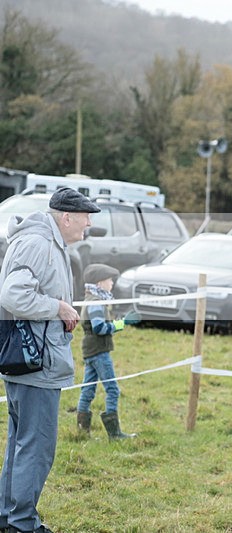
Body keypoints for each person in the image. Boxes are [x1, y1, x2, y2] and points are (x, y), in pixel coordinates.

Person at [0, 187, 100, 533]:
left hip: (30, 361)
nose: (88, 224)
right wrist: (58, 308)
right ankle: (22, 523)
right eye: (86, 217)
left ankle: (8, 518)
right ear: (67, 217)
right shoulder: (40, 243)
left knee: (21, 444)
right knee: (37, 448)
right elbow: (14, 295)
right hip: (35, 363)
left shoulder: (43, 241)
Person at [76, 264, 136, 441]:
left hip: (91, 350)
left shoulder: (92, 299)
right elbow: (99, 327)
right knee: (112, 390)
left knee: (88, 390)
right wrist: (121, 324)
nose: (112, 283)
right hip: (99, 351)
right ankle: (114, 434)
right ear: (100, 282)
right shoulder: (96, 303)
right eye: (110, 280)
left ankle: (81, 432)